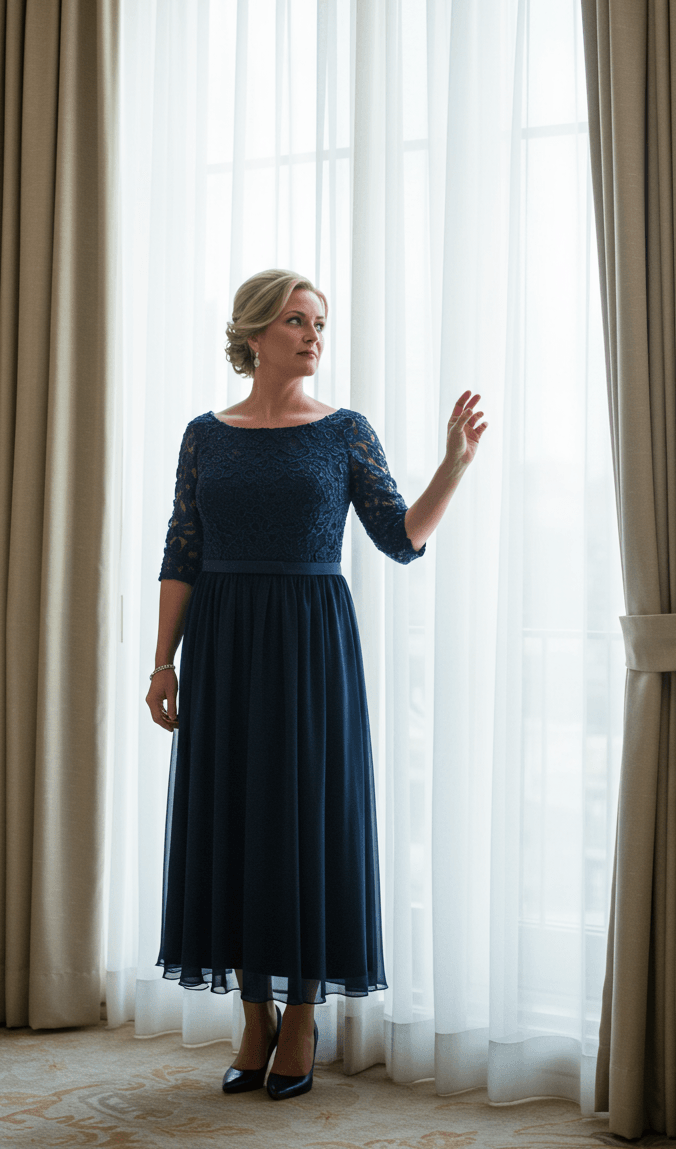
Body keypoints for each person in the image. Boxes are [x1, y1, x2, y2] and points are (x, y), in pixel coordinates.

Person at [145, 268, 487, 1101]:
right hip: (222, 641)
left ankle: (302, 1014)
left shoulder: (344, 432)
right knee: (234, 815)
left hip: (309, 642)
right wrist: (163, 660)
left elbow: (400, 539)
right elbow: (181, 551)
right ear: (254, 333)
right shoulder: (204, 434)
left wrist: (454, 466)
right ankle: (253, 1015)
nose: (312, 335)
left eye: (319, 323)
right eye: (296, 320)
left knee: (303, 818)